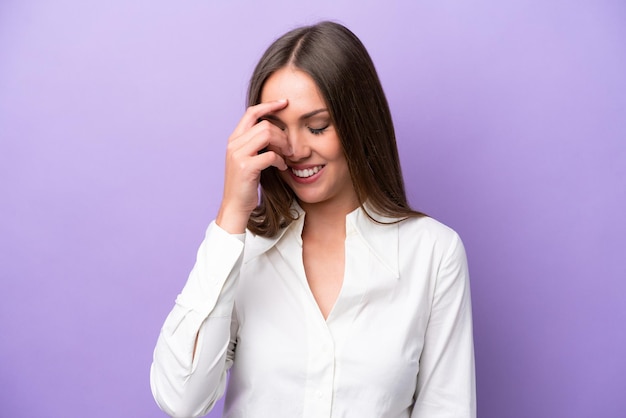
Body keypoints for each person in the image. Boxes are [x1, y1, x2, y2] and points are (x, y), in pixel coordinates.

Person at [150, 21, 475, 418]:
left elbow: (448, 407)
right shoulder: (241, 248)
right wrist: (231, 212)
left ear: (359, 122)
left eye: (317, 126)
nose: (297, 149)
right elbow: (180, 398)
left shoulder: (433, 252)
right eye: (278, 130)